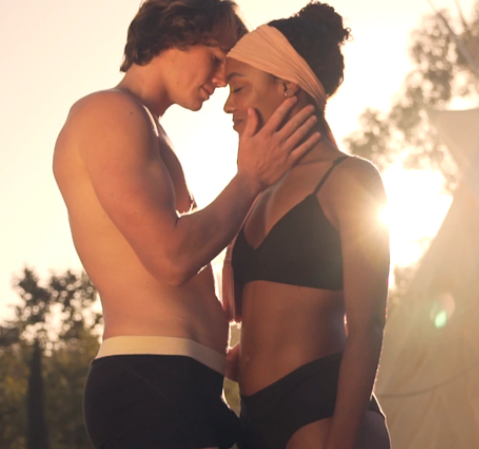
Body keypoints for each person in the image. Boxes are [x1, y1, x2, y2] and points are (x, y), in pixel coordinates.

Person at [52, 1, 321, 448]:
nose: (221, 81)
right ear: (173, 36)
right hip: (149, 384)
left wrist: (234, 247)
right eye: (216, 60)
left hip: (189, 385)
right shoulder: (107, 113)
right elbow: (171, 257)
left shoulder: (150, 128)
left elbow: (184, 240)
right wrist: (251, 178)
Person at [222, 2, 392, 449]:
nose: (227, 106)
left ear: (287, 86)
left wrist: (341, 439)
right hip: (252, 417)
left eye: (238, 88)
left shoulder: (351, 179)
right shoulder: (255, 189)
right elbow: (246, 314)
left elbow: (369, 324)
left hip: (324, 410)